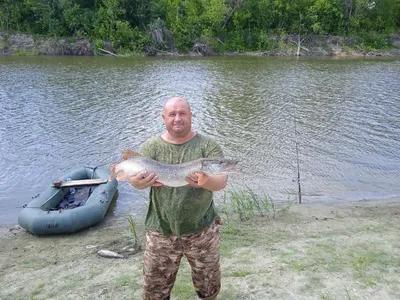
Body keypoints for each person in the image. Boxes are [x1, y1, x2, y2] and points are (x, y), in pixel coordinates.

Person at [123, 96, 228, 300]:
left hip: (202, 230)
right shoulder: (152, 146)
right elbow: (134, 182)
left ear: (190, 116)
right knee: (154, 291)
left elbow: (222, 182)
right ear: (164, 118)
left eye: (182, 113)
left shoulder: (208, 146)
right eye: (172, 114)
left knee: (208, 287)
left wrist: (204, 182)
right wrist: (141, 182)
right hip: (161, 230)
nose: (177, 118)